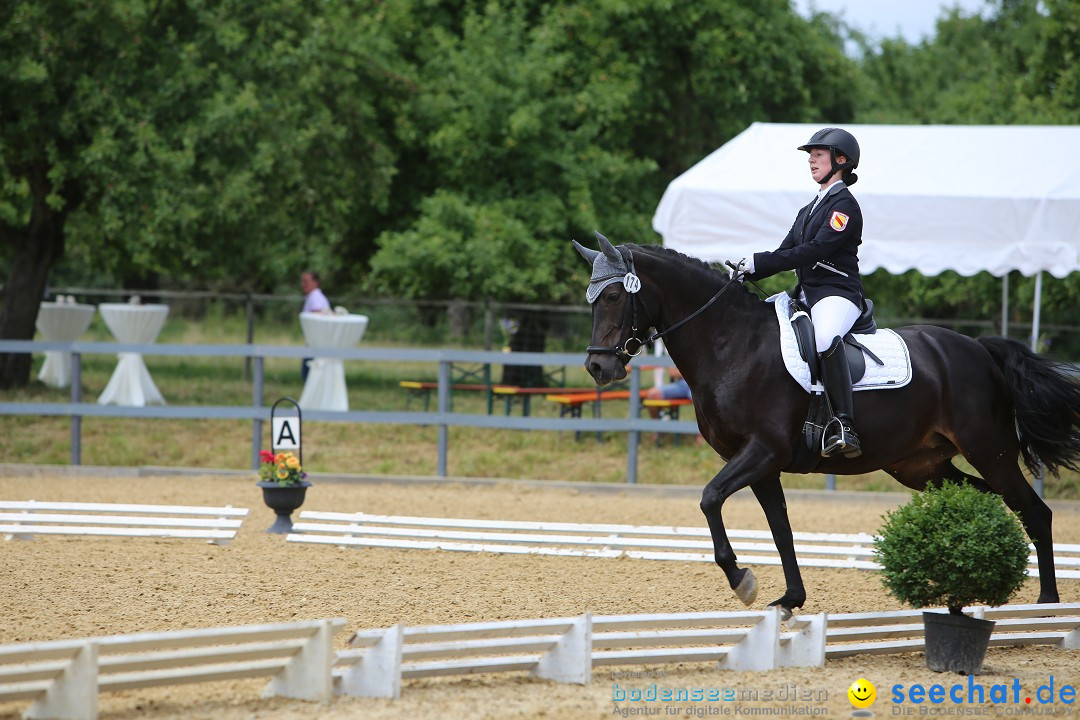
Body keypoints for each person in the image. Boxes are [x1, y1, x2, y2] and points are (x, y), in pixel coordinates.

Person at [733, 127, 866, 459]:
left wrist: (760, 260)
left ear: (841, 160)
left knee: (824, 339)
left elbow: (814, 250)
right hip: (806, 294)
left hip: (838, 294)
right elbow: (786, 251)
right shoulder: (808, 209)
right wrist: (748, 269)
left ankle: (844, 425)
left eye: (818, 154)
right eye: (811, 155)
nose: (811, 160)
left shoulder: (843, 206)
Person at [300, 271, 331, 381]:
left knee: (308, 376)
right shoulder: (316, 296)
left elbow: (317, 316)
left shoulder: (314, 297)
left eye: (306, 281)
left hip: (314, 344)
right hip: (318, 343)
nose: (303, 284)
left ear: (315, 282)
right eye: (302, 281)